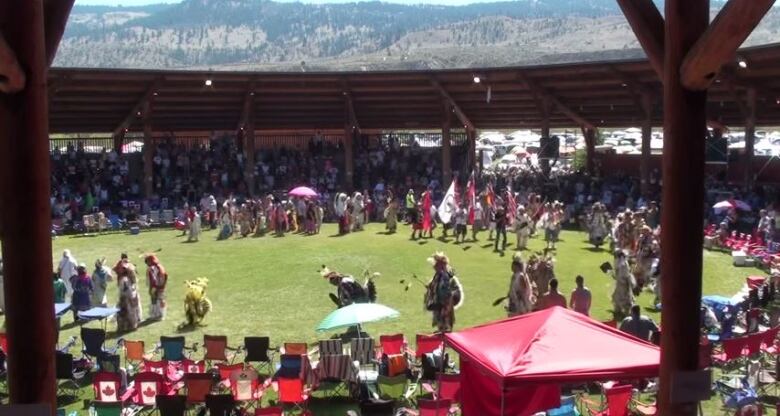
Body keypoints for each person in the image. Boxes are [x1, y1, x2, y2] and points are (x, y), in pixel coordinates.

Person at [424, 252, 464, 333]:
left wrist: (433, 291)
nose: (434, 267)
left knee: (444, 307)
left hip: (451, 295)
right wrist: (431, 287)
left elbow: (443, 290)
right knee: (440, 306)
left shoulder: (445, 275)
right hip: (446, 295)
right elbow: (435, 284)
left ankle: (445, 328)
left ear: (441, 265)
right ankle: (442, 327)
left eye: (436, 265)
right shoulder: (439, 274)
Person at [115, 257, 142, 332]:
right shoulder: (132, 277)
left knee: (124, 313)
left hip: (127, 298)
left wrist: (121, 299)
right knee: (133, 312)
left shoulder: (124, 280)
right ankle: (133, 325)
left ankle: (125, 327)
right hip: (133, 297)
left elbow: (122, 291)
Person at [611, 250, 635, 316]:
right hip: (620, 283)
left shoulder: (623, 264)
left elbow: (624, 275)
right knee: (617, 296)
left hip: (623, 283)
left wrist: (620, 279)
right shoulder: (619, 263)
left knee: (625, 298)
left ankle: (627, 312)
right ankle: (617, 310)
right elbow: (617, 273)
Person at [145, 255, 168, 321]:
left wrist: (154, 288)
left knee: (155, 301)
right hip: (161, 287)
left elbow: (154, 279)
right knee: (160, 300)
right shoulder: (160, 266)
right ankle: (160, 315)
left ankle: (156, 315)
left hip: (156, 287)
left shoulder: (152, 268)